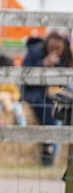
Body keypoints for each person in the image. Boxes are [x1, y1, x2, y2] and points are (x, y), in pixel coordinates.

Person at [20, 29, 72, 166]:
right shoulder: (35, 52)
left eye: (59, 46)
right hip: (35, 93)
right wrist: (43, 64)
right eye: (53, 45)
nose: (55, 49)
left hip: (59, 94)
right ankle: (50, 153)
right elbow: (23, 76)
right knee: (52, 112)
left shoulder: (67, 56)